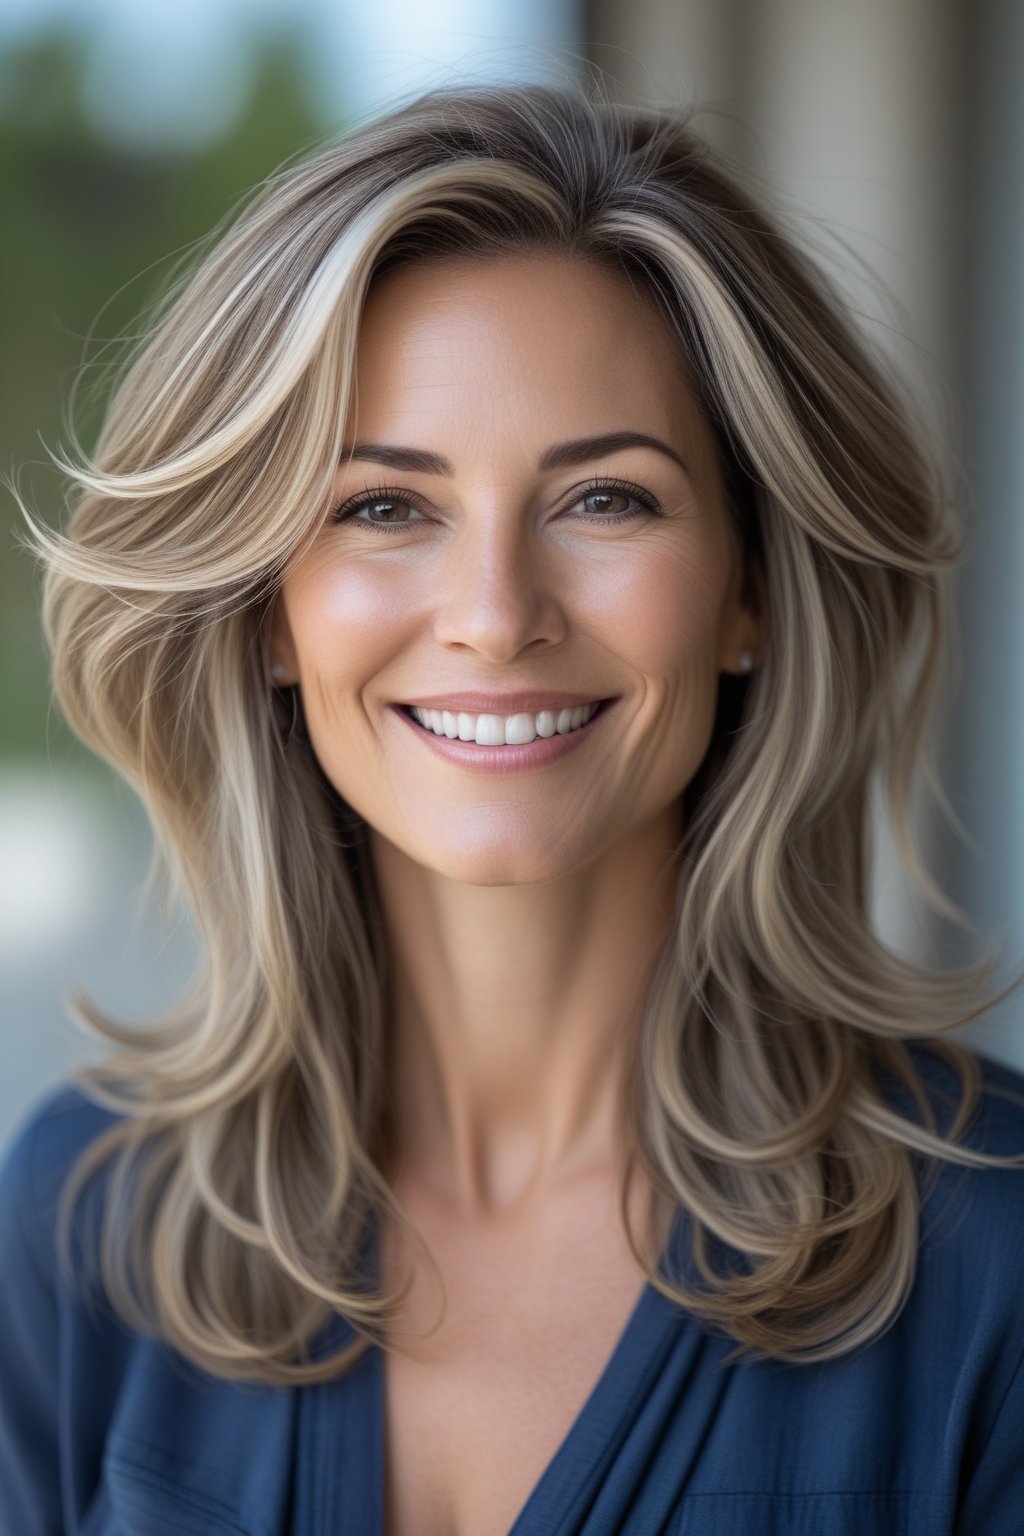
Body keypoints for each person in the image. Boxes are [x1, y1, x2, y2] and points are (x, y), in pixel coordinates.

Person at [2, 77, 1024, 1536]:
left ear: (747, 591)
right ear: (269, 611)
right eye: (383, 506)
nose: (494, 615)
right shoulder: (83, 1223)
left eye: (605, 500)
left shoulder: (992, 1258)